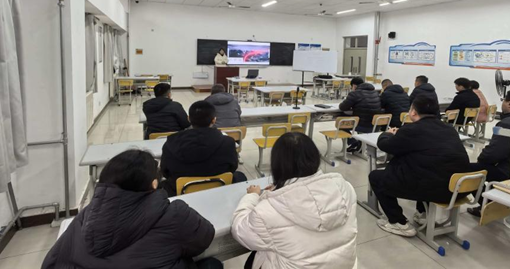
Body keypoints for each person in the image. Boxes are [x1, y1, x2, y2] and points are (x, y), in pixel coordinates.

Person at [42, 150, 222, 269]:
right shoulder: (174, 214)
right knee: (212, 264)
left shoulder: (86, 216)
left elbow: (51, 262)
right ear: (154, 184)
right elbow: (204, 237)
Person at [232, 133, 358, 269]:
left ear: (277, 165)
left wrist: (252, 196)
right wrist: (280, 189)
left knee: (253, 259)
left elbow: (240, 231)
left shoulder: (267, 211)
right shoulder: (347, 189)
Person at [369, 95, 470, 237]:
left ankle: (399, 222)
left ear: (413, 112)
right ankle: (422, 213)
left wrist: (387, 134)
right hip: (457, 188)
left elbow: (385, 145)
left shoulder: (410, 130)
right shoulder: (449, 129)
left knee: (376, 177)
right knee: (427, 166)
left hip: (433, 188)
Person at [467, 90, 510, 217]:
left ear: (509, 104)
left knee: (468, 170)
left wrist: (481, 160)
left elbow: (494, 153)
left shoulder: (508, 124)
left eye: (504, 100)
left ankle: (487, 205)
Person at [160, 100, 246, 196]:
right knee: (240, 176)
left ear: (188, 119)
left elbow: (165, 172)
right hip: (218, 189)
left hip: (182, 193)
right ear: (214, 120)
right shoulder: (228, 143)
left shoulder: (170, 143)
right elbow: (233, 167)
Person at [339, 76, 382, 153]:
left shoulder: (354, 94)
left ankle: (353, 142)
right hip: (376, 126)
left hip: (363, 126)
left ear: (354, 86)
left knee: (341, 123)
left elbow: (342, 107)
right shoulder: (375, 93)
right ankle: (360, 143)